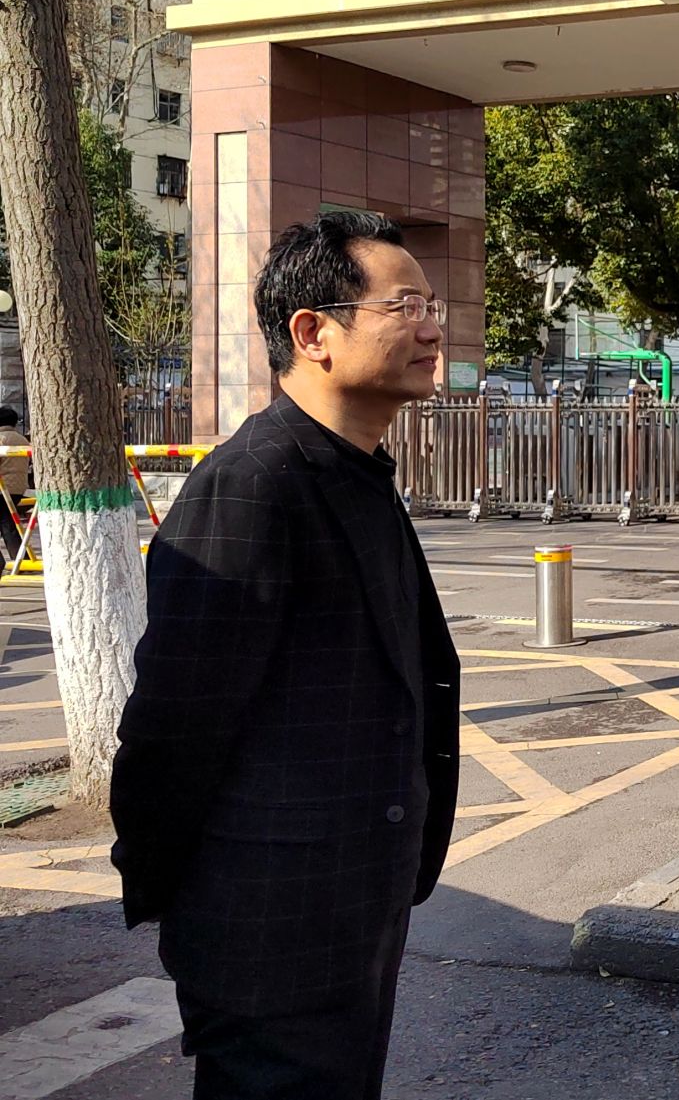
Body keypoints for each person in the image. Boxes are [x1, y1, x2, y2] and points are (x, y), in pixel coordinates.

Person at [111, 211, 460, 1100]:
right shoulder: (252, 485)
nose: (431, 327)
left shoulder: (356, 470)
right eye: (405, 305)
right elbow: (173, 726)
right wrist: (175, 895)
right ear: (314, 333)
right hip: (270, 926)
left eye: (433, 305)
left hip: (349, 909)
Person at [0, 407, 27, 558]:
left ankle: (19, 558)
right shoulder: (22, 439)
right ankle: (22, 557)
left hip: (3, 488)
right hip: (18, 487)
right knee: (8, 523)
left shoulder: (1, 438)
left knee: (7, 525)